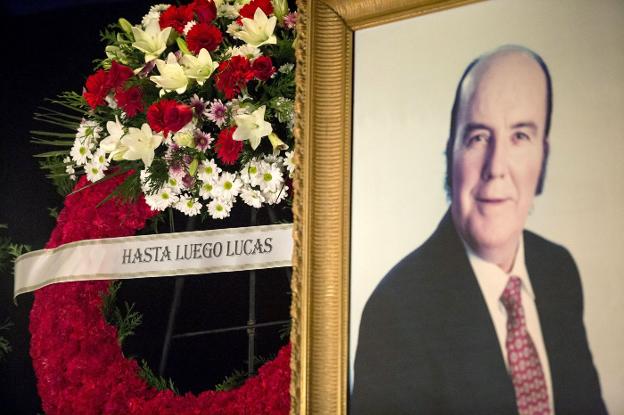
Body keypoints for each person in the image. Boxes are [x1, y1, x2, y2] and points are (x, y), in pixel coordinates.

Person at [350, 45, 607, 415]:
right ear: (449, 154)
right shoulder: (396, 312)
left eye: (520, 136)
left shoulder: (559, 270)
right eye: (478, 137)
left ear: (543, 159)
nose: (496, 167)